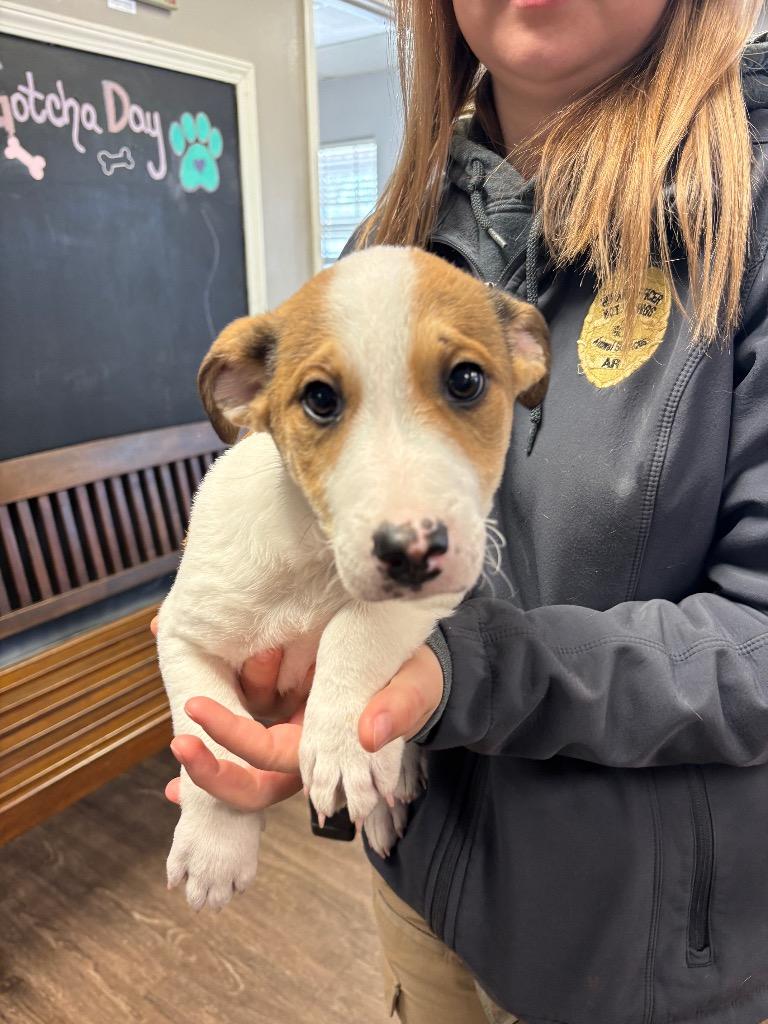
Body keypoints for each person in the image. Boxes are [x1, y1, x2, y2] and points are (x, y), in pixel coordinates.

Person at [156, 2, 768, 1022]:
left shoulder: (746, 212)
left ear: (521, 360)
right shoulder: (391, 235)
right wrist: (309, 731)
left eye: (468, 380)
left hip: (663, 958)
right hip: (427, 886)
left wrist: (458, 670)